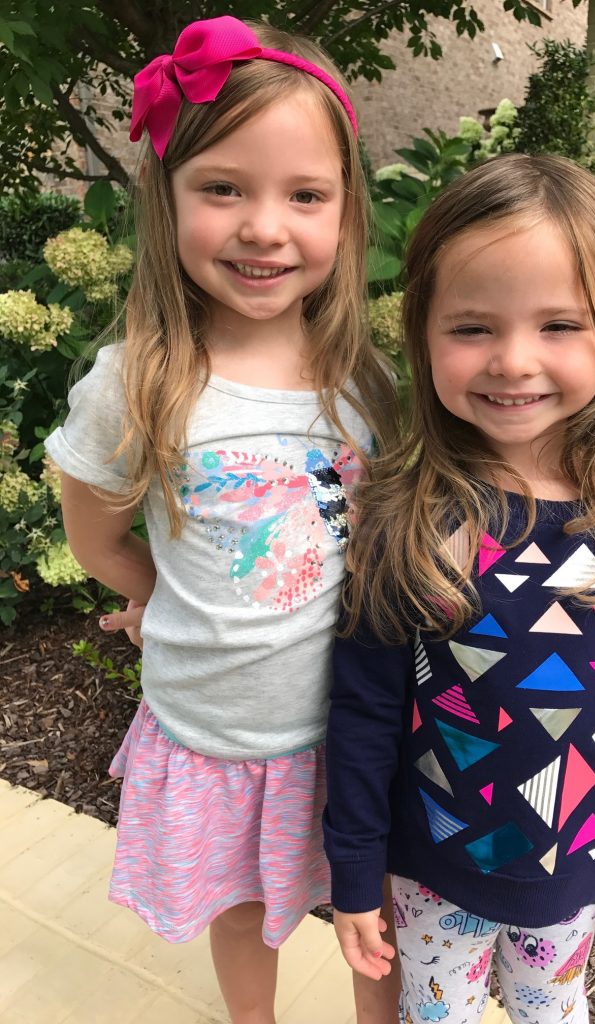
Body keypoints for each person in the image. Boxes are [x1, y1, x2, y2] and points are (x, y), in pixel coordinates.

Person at [46, 16, 400, 1024]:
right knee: (242, 910)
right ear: (166, 198)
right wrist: (165, 599)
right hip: (218, 736)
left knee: (371, 908)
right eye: (223, 188)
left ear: (346, 213)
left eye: (305, 195)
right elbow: (94, 537)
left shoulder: (362, 381)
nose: (264, 227)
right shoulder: (137, 384)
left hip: (357, 725)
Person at [322, 154, 595, 1024]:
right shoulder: (405, 518)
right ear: (423, 334)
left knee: (552, 1011)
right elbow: (366, 711)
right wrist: (354, 867)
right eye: (472, 327)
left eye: (560, 324)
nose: (513, 361)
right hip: (429, 872)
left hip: (574, 874)